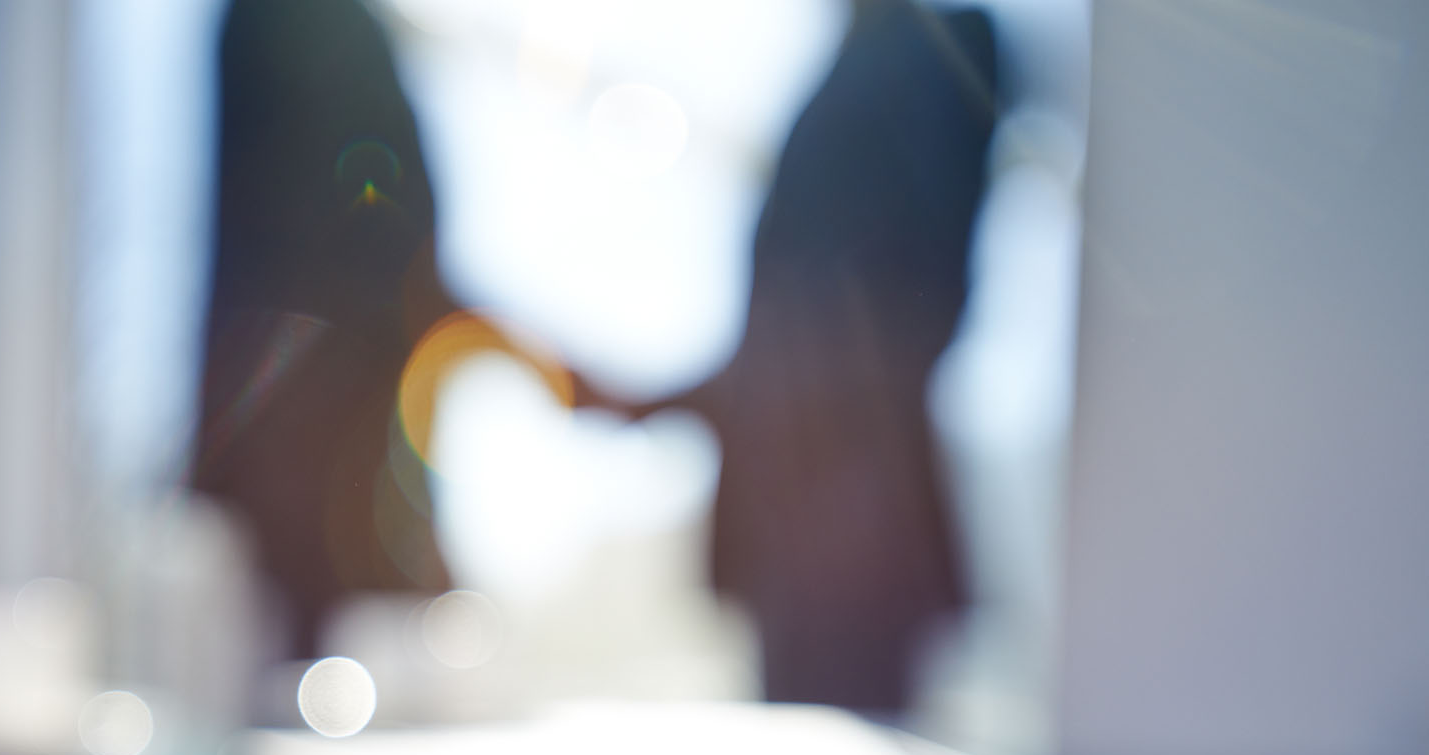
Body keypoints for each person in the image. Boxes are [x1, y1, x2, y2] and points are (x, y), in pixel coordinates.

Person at [631, 0, 1002, 714]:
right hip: (794, 516)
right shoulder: (848, 67)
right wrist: (676, 400)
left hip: (855, 513)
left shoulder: (937, 49)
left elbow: (907, 301)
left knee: (850, 745)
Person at [190, 0, 569, 661]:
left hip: (317, 463)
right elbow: (369, 264)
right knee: (308, 679)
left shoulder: (312, 30)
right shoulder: (306, 27)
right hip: (317, 466)